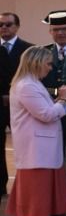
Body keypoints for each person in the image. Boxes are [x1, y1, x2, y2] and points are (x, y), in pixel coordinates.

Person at [7, 46, 66, 216]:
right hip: (37, 150)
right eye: (48, 63)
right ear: (36, 62)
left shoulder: (30, 84)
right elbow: (45, 114)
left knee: (30, 194)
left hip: (36, 149)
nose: (50, 67)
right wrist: (63, 99)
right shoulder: (27, 85)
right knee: (39, 195)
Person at [0, 11, 33, 203]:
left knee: (24, 147)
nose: (4, 28)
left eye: (8, 24)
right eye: (1, 25)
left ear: (17, 27)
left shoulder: (27, 50)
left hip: (21, 105)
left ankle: (25, 188)